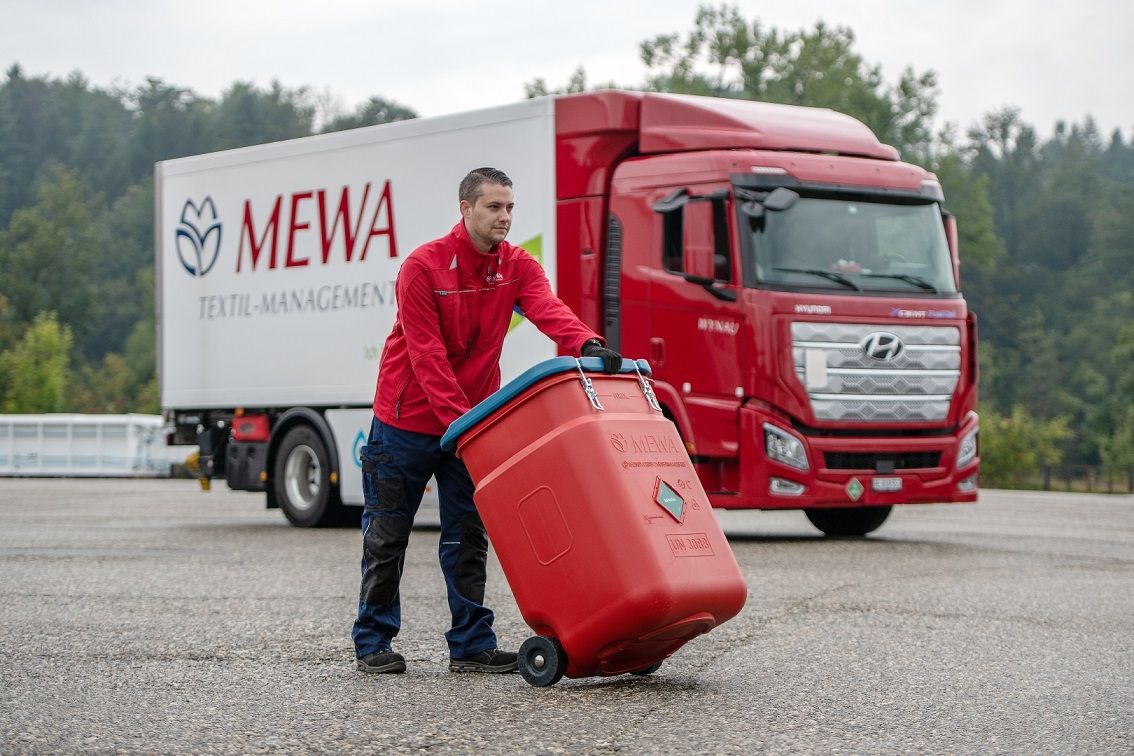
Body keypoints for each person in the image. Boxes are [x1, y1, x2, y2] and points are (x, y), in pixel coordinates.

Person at [352, 167, 622, 674]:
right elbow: (427, 356)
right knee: (387, 535)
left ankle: (471, 644)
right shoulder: (423, 267)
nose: (504, 217)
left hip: (470, 424)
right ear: (466, 209)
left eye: (510, 208)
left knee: (468, 534)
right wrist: (461, 423)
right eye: (494, 207)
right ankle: (373, 642)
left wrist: (586, 343)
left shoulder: (517, 265)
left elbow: (547, 309)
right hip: (406, 421)